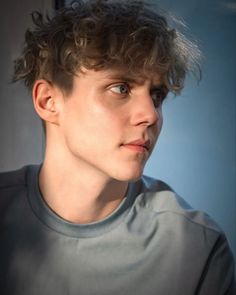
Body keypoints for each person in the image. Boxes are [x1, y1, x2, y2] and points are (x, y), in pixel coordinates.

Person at [0, 0, 235, 294]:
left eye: (157, 95)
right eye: (121, 88)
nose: (150, 114)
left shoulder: (195, 247)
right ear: (49, 101)